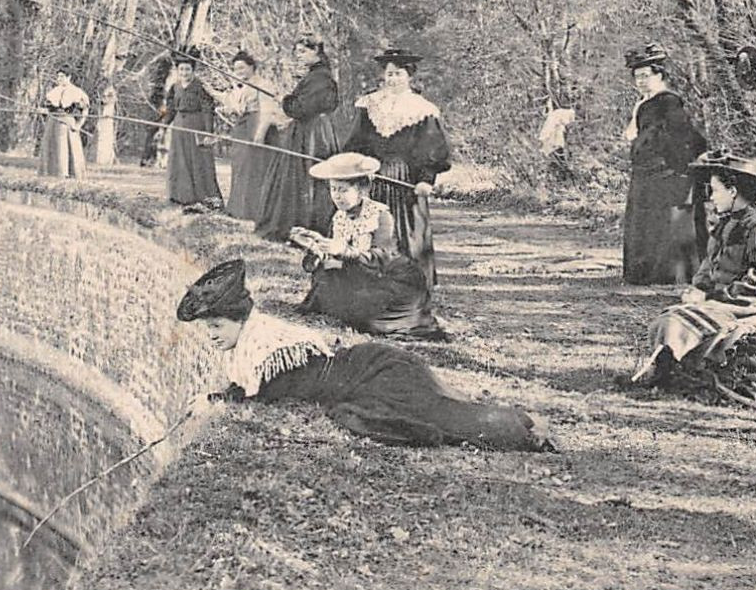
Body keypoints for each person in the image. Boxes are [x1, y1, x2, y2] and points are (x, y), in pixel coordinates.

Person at [178, 260, 553, 451]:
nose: (212, 336)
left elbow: (264, 395)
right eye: (208, 328)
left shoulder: (268, 348)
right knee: (439, 408)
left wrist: (218, 400)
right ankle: (519, 422)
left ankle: (524, 429)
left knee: (439, 416)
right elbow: (249, 386)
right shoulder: (257, 341)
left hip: (374, 375)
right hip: (366, 369)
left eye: (217, 327)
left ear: (240, 320)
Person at [624, 152, 756, 387]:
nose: (711, 197)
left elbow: (754, 286)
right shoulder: (725, 225)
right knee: (669, 317)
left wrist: (709, 297)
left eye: (716, 190)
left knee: (676, 322)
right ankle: (669, 371)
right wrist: (697, 289)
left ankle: (670, 374)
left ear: (733, 191)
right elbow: (709, 267)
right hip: (723, 301)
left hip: (751, 308)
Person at [289, 153, 443, 338]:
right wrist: (316, 248)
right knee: (325, 285)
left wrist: (344, 251)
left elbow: (382, 256)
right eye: (333, 190)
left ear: (362, 190)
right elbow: (332, 256)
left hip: (387, 277)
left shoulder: (379, 215)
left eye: (344, 190)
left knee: (366, 313)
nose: (337, 197)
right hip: (357, 276)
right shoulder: (339, 217)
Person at [343, 49, 451, 285]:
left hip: (406, 180)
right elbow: (356, 141)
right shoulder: (369, 104)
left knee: (407, 229)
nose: (393, 79)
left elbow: (433, 148)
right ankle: (368, 278)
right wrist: (359, 165)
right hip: (373, 177)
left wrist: (426, 179)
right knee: (370, 225)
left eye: (398, 74)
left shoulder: (423, 109)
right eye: (389, 74)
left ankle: (408, 283)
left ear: (409, 77)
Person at [622, 42, 708, 285]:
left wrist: (676, 165)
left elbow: (682, 136)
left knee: (667, 222)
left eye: (645, 76)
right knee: (646, 222)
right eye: (636, 77)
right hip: (647, 173)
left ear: (659, 75)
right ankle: (647, 273)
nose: (640, 81)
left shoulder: (668, 102)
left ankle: (669, 274)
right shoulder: (645, 103)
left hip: (665, 172)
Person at [254, 37, 342, 242]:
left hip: (312, 134)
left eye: (303, 52)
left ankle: (304, 226)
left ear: (316, 52)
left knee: (306, 176)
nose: (299, 55)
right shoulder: (317, 76)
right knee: (301, 176)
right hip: (312, 131)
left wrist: (284, 100)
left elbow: (300, 109)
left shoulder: (320, 78)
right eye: (298, 52)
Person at [218, 51, 279, 222]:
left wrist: (260, 133)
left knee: (254, 168)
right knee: (240, 165)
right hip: (241, 128)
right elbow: (234, 106)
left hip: (256, 126)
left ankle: (254, 211)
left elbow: (268, 110)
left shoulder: (263, 84)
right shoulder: (239, 86)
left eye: (243, 68)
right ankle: (238, 209)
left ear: (252, 67)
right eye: (236, 68)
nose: (239, 71)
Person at [163, 53, 224, 211]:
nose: (184, 73)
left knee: (198, 161)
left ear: (193, 70)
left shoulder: (200, 87)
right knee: (179, 160)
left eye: (188, 69)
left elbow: (207, 110)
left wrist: (207, 132)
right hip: (179, 127)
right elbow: (170, 109)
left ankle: (205, 197)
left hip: (196, 125)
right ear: (178, 70)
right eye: (181, 69)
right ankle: (180, 196)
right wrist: (163, 126)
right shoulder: (174, 87)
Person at [39, 68, 89, 179]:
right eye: (58, 76)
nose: (59, 79)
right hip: (52, 123)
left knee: (64, 148)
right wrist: (43, 111)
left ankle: (66, 174)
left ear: (69, 77)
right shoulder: (54, 91)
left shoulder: (76, 92)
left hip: (66, 123)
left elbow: (85, 110)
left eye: (62, 76)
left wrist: (78, 125)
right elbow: (50, 109)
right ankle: (50, 174)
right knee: (51, 147)